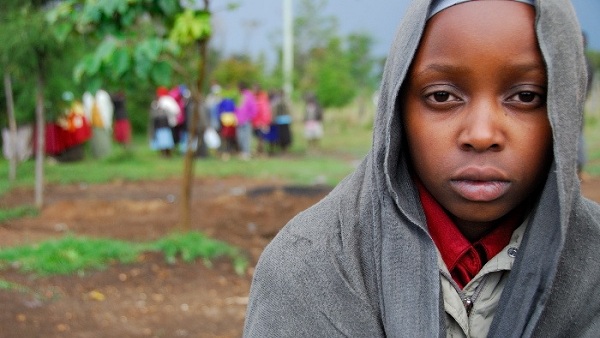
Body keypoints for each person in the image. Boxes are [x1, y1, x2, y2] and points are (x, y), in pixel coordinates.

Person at [244, 1, 600, 337]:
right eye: (442, 96)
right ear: (398, 111)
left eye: (525, 96)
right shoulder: (310, 263)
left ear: (563, 108)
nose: (481, 134)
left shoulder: (592, 263)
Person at [235, 81, 258, 160]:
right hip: (239, 121)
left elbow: (254, 109)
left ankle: (246, 153)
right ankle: (243, 152)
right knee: (240, 137)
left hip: (246, 120)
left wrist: (249, 117)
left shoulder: (248, 96)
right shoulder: (240, 96)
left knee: (246, 137)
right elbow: (238, 109)